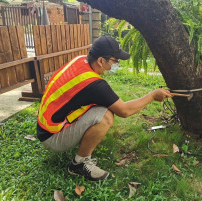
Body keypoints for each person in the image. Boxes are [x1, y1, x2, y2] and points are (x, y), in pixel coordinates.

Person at [37, 36, 171, 181]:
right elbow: (124, 111)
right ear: (101, 61)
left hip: (44, 126)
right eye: (115, 61)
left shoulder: (80, 60)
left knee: (103, 107)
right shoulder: (95, 86)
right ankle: (79, 164)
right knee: (106, 115)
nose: (117, 64)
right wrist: (152, 96)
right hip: (52, 138)